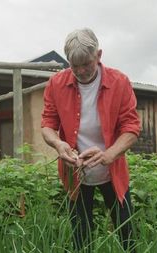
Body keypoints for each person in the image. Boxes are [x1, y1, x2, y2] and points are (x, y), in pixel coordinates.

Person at [41, 28, 140, 252]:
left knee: (127, 233)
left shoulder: (120, 82)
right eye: (74, 66)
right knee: (81, 237)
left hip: (112, 171)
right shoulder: (56, 84)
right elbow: (47, 124)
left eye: (86, 63)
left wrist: (109, 154)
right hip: (75, 172)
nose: (80, 71)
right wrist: (59, 144)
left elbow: (131, 127)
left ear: (99, 55)